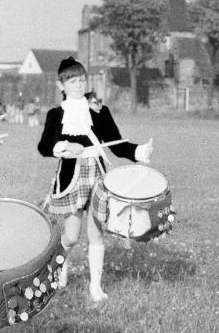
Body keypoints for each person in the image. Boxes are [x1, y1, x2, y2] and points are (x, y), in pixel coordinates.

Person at [38, 57, 152, 303]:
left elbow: (117, 143)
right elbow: (44, 145)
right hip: (72, 176)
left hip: (98, 174)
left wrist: (137, 152)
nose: (79, 85)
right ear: (61, 85)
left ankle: (96, 287)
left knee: (96, 233)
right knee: (70, 236)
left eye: (82, 80)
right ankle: (60, 266)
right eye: (72, 80)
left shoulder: (99, 110)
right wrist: (65, 145)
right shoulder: (56, 114)